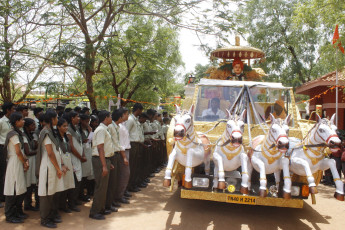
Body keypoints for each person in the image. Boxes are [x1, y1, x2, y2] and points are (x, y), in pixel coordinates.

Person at [37, 110, 67, 228]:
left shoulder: (51, 132)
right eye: (56, 118)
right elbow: (50, 153)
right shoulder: (45, 133)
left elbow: (56, 151)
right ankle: (45, 219)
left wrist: (61, 166)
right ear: (51, 119)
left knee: (53, 191)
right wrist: (58, 168)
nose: (57, 119)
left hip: (53, 165)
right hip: (49, 165)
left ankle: (51, 215)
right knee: (47, 193)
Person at [4, 112, 29, 223]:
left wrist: (24, 161)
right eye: (21, 119)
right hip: (15, 162)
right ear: (16, 121)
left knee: (19, 188)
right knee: (13, 188)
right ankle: (10, 215)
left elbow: (21, 151)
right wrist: (24, 162)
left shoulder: (18, 133)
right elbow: (18, 152)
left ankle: (17, 212)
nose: (23, 121)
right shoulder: (13, 134)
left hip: (18, 161)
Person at [89, 110, 114, 220]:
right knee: (100, 186)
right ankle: (94, 211)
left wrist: (108, 163)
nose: (111, 118)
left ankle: (101, 209)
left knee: (104, 186)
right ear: (106, 118)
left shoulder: (104, 129)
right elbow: (100, 148)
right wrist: (104, 165)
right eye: (110, 116)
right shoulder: (100, 130)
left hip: (105, 159)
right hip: (100, 160)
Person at [66, 111, 84, 212]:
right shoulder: (68, 130)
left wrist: (82, 155)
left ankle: (75, 200)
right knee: (74, 181)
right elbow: (71, 147)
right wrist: (80, 157)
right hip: (73, 158)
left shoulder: (76, 129)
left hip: (79, 157)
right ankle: (71, 203)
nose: (78, 118)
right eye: (77, 116)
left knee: (78, 180)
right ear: (72, 118)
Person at [56, 118, 75, 213]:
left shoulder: (65, 137)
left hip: (68, 160)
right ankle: (61, 206)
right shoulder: (56, 138)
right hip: (61, 162)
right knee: (62, 185)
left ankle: (68, 204)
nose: (66, 128)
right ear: (58, 127)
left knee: (69, 184)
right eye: (64, 126)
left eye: (67, 126)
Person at [0, 102, 15, 208]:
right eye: (12, 109)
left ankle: (6, 194)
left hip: (12, 149)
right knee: (2, 173)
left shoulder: (12, 122)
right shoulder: (1, 122)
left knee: (8, 172)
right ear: (8, 110)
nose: (14, 111)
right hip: (2, 148)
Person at [114, 108, 131, 205]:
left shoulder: (123, 125)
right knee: (124, 174)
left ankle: (122, 193)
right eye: (127, 114)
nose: (128, 116)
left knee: (125, 174)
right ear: (122, 115)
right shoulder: (119, 127)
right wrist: (124, 156)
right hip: (122, 152)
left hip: (126, 150)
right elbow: (120, 144)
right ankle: (119, 195)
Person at [126, 103, 143, 193]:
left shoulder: (135, 119)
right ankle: (128, 186)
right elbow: (126, 132)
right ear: (138, 110)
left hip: (136, 144)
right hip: (132, 144)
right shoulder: (130, 119)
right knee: (131, 166)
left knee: (135, 166)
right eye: (141, 110)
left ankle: (132, 184)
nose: (141, 112)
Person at [23, 118, 39, 211]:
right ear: (27, 126)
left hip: (34, 161)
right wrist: (38, 151)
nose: (34, 126)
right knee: (28, 183)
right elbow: (27, 152)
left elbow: (35, 146)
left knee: (32, 183)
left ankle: (29, 203)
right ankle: (27, 204)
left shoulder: (32, 135)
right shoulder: (24, 136)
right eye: (32, 125)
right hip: (29, 161)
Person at [79, 114, 93, 202]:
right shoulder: (78, 130)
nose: (87, 123)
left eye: (88, 122)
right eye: (86, 121)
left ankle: (87, 192)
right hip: (82, 153)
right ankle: (81, 194)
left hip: (88, 152)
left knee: (88, 174)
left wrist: (90, 131)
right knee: (82, 176)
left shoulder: (87, 129)